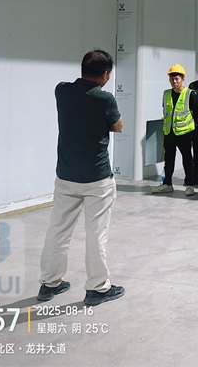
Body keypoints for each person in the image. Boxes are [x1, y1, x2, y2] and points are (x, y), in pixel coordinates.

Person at [38, 49, 124, 307]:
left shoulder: (62, 91)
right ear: (105, 74)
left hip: (66, 176)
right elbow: (118, 126)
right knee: (96, 233)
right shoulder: (104, 98)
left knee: (58, 229)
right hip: (97, 179)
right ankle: (97, 288)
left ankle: (49, 283)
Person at [153, 64, 198, 196]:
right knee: (169, 160)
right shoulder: (166, 93)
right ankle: (167, 184)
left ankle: (190, 185)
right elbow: (166, 112)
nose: (174, 81)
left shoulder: (190, 94)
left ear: (183, 79)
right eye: (172, 79)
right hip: (169, 133)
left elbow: (196, 114)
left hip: (184, 133)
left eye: (177, 78)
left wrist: (193, 134)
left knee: (187, 160)